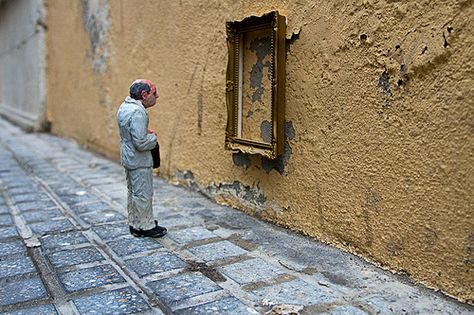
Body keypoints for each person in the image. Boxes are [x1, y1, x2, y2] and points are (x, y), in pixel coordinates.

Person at [116, 79, 167, 238]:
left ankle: (135, 223)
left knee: (133, 192)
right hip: (139, 160)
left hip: (128, 157)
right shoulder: (139, 112)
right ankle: (146, 226)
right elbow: (141, 143)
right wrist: (153, 138)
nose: (157, 96)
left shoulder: (125, 107)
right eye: (154, 93)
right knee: (143, 193)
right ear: (144, 95)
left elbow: (131, 132)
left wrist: (143, 131)